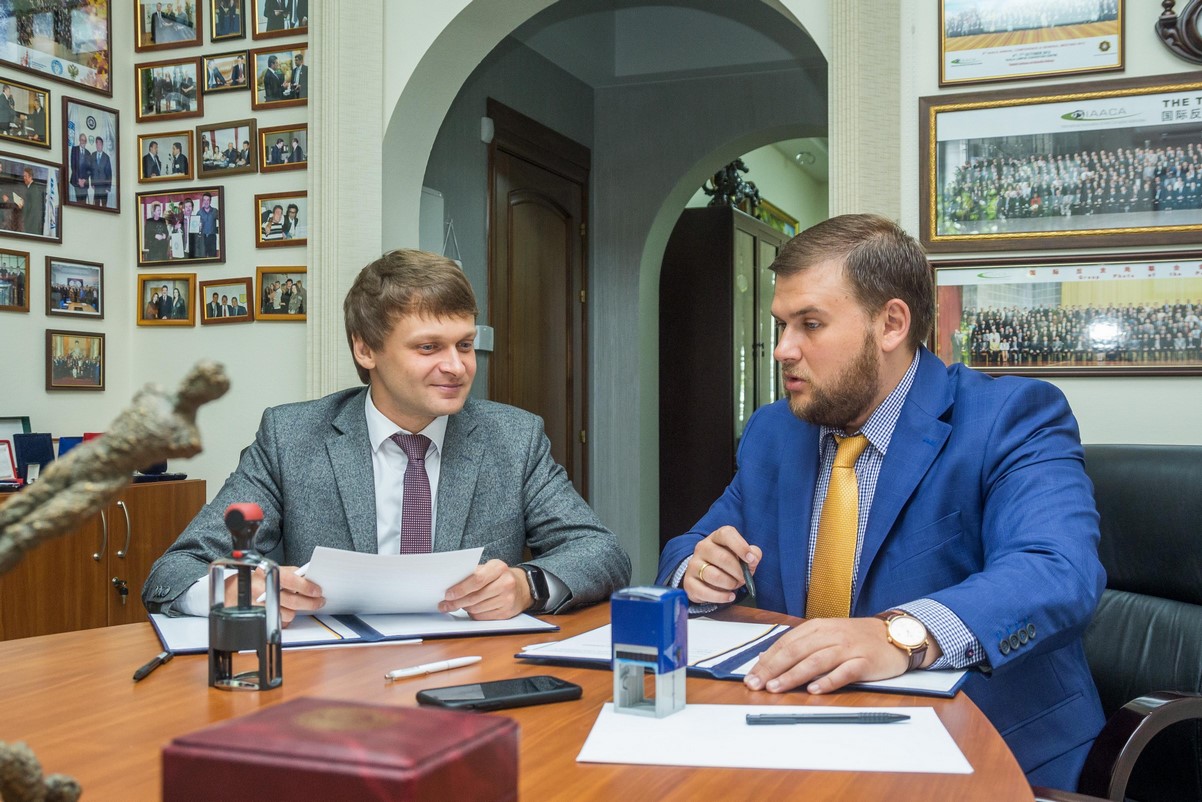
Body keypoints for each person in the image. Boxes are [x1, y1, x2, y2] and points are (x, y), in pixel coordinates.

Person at [656, 214, 1105, 791]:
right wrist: (697, 569)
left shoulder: (1009, 417)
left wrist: (900, 634)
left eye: (810, 324)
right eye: (781, 325)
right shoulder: (775, 431)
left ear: (891, 323)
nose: (783, 349)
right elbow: (690, 545)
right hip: (803, 737)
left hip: (986, 753)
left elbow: (1057, 570)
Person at [142, 248, 631, 625]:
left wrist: (527, 587)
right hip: (333, 680)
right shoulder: (291, 438)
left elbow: (601, 552)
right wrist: (233, 590)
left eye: (465, 345)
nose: (457, 366)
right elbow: (174, 571)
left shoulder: (514, 438)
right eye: (428, 347)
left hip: (474, 673)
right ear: (366, 349)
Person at [9, 167, 45, 235]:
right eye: (23, 176)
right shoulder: (30, 188)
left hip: (31, 226)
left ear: (30, 177)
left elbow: (34, 208)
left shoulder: (33, 189)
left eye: (25, 176)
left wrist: (28, 224)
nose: (24, 178)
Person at [68, 132, 91, 204]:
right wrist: (79, 180)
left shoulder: (88, 153)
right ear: (79, 140)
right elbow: (73, 166)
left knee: (84, 203)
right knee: (78, 203)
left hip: (84, 183)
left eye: (84, 140)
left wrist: (84, 180)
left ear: (86, 142)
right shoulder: (74, 150)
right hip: (76, 181)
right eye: (82, 140)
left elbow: (89, 170)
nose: (83, 142)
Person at [90, 136, 112, 207]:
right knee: (96, 206)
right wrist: (92, 183)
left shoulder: (106, 157)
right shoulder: (92, 155)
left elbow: (109, 173)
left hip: (104, 187)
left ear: (102, 145)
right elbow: (91, 170)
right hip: (96, 186)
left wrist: (108, 187)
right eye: (97, 144)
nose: (98, 145)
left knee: (104, 206)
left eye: (99, 144)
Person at [197, 192, 218, 257]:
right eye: (204, 200)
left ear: (210, 201)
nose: (206, 202)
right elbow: (196, 227)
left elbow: (222, 221)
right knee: (203, 258)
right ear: (202, 201)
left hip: (212, 238)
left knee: (213, 257)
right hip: (203, 238)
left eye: (208, 200)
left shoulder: (215, 211)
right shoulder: (199, 212)